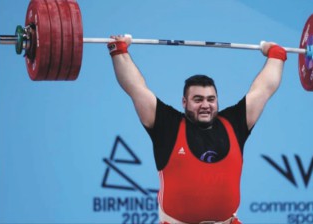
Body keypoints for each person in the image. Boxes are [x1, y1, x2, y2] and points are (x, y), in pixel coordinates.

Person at [107, 34, 286, 224]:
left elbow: (263, 89)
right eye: (198, 99)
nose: (205, 105)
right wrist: (119, 51)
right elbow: (136, 88)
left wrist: (276, 55)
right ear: (184, 102)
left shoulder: (235, 123)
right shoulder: (167, 125)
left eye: (211, 99)